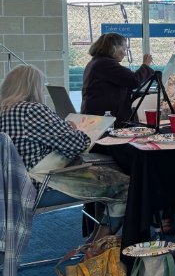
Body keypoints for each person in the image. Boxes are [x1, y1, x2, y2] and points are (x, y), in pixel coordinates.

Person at [0, 65, 129, 237]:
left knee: (105, 177)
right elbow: (77, 144)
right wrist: (75, 129)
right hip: (40, 186)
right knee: (123, 185)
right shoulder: (32, 110)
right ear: (33, 87)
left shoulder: (4, 111)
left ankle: (95, 241)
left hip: (10, 189)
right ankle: (97, 246)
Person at [80, 32, 155, 127]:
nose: (124, 53)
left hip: (96, 115)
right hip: (103, 120)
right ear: (114, 48)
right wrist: (146, 65)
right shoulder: (105, 64)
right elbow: (134, 80)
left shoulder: (97, 62)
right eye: (123, 49)